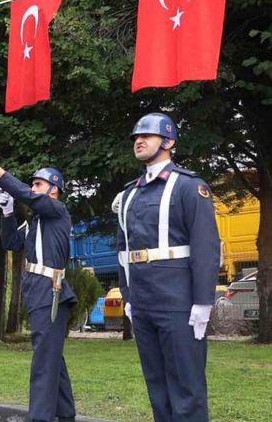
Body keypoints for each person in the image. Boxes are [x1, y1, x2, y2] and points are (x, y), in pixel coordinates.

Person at [114, 113, 220, 421]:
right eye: (136, 137)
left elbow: (205, 248)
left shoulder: (190, 187)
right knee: (157, 388)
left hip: (178, 302)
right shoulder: (129, 193)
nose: (139, 140)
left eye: (147, 135)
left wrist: (202, 302)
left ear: (169, 142)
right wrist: (128, 296)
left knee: (186, 389)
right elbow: (124, 251)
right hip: (143, 301)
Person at [0, 144, 77, 422]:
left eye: (39, 183)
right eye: (33, 183)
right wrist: (7, 213)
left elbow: (27, 196)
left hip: (51, 290)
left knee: (43, 359)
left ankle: (39, 417)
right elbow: (11, 243)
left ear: (54, 189)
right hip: (38, 290)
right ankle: (65, 415)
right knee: (50, 355)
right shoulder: (35, 221)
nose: (33, 187)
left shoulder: (56, 210)